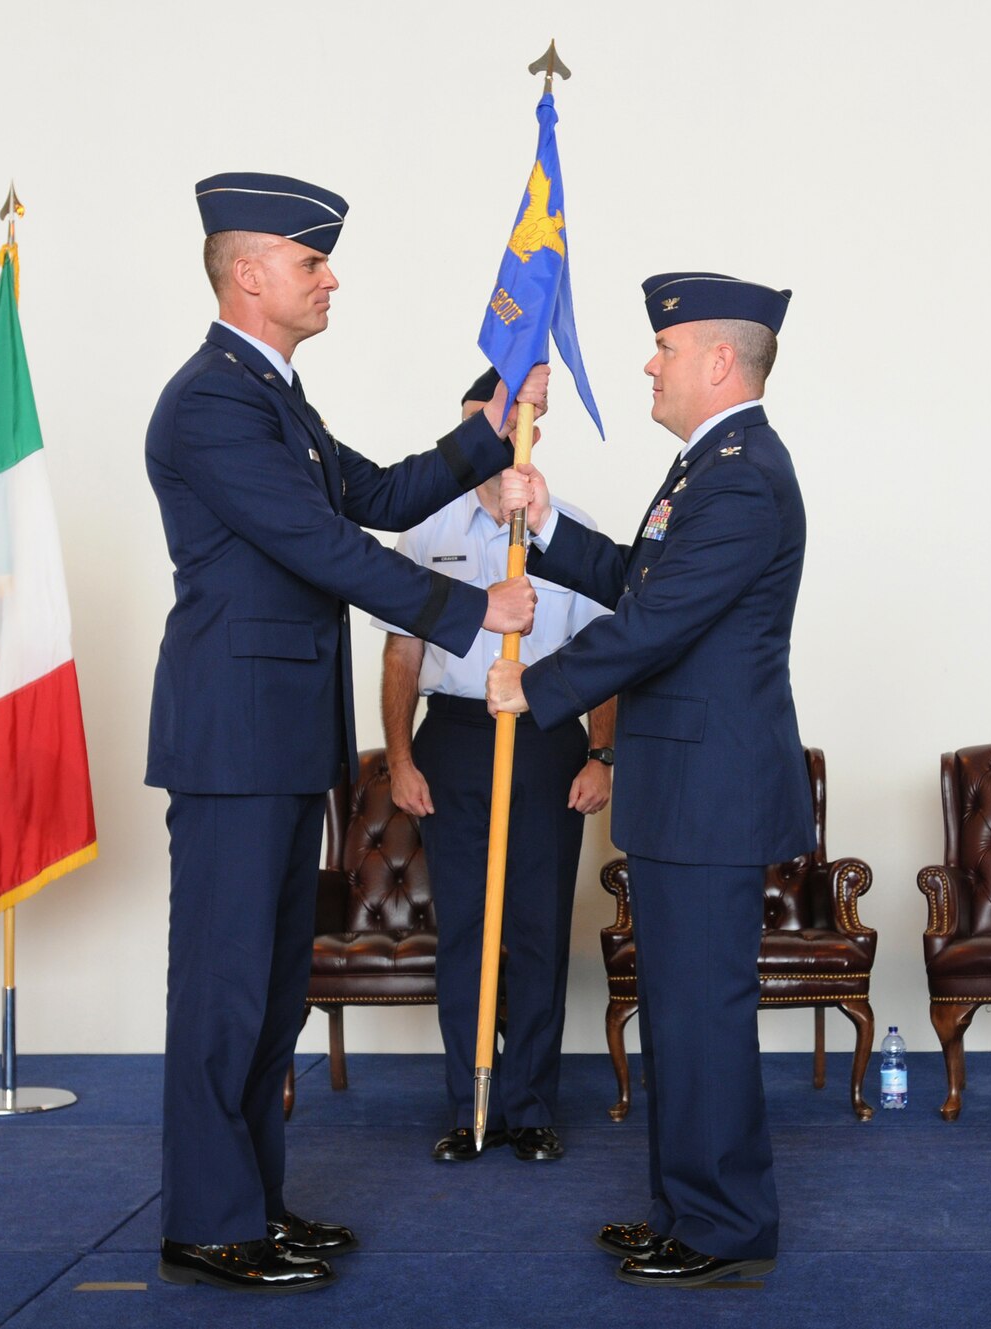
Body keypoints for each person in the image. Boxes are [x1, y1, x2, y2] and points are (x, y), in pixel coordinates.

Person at [144, 171, 546, 1295]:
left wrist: (484, 433)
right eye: (310, 261)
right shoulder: (212, 401)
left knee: (270, 990)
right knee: (225, 988)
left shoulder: (272, 396)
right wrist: (474, 610)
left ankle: (251, 1205)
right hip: (233, 742)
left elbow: (373, 494)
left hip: (275, 739)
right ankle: (208, 1223)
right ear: (248, 273)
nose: (331, 279)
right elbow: (321, 547)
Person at [487, 273, 812, 1288]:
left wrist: (533, 686)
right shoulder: (709, 466)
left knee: (701, 1013)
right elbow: (643, 580)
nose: (647, 363)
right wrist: (546, 523)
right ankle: (684, 1208)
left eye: (664, 349)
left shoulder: (741, 476)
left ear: (717, 361)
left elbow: (654, 625)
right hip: (684, 788)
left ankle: (724, 1228)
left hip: (710, 793)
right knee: (678, 1011)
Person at [375, 367, 617, 1166]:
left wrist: (600, 756)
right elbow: (402, 656)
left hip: (545, 736)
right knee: (465, 933)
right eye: (476, 422)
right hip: (454, 738)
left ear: (531, 434)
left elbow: (605, 658)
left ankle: (532, 1107)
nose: (488, 438)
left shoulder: (569, 531)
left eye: (506, 423)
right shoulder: (425, 533)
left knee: (540, 929)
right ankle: (469, 1105)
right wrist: (401, 757)